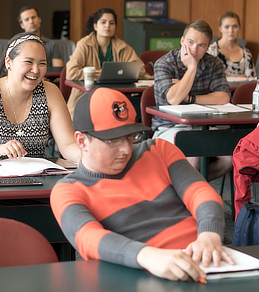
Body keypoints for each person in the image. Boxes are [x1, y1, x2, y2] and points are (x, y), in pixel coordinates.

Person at [50, 87, 232, 281]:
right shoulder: (67, 191)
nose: (126, 149)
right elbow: (89, 238)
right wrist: (147, 256)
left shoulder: (159, 150)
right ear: (82, 141)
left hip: (206, 261)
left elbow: (201, 193)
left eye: (130, 136)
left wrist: (209, 235)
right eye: (113, 140)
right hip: (142, 275)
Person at [0, 32, 80, 163]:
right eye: (28, 62)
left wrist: (86, 156)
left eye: (42, 63)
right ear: (9, 62)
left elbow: (67, 145)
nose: (36, 70)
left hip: (37, 177)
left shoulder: (51, 92)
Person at [152, 20, 232, 181]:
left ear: (208, 47)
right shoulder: (164, 63)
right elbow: (173, 99)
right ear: (182, 41)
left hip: (203, 127)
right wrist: (192, 68)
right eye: (190, 42)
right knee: (193, 156)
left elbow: (223, 97)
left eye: (201, 45)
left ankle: (191, 186)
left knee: (229, 158)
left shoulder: (214, 63)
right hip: (168, 127)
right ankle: (189, 192)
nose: (194, 49)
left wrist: (190, 98)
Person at [65, 8, 148, 118]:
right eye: (103, 22)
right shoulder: (84, 44)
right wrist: (93, 74)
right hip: (86, 98)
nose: (107, 26)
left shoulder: (122, 46)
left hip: (115, 99)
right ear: (95, 26)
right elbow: (71, 72)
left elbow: (140, 69)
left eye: (111, 23)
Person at [206, 11, 255, 78]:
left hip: (240, 88)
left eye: (234, 26)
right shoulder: (211, 50)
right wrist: (237, 77)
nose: (231, 30)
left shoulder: (246, 54)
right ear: (220, 28)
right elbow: (209, 77)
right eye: (226, 27)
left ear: (239, 28)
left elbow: (251, 81)